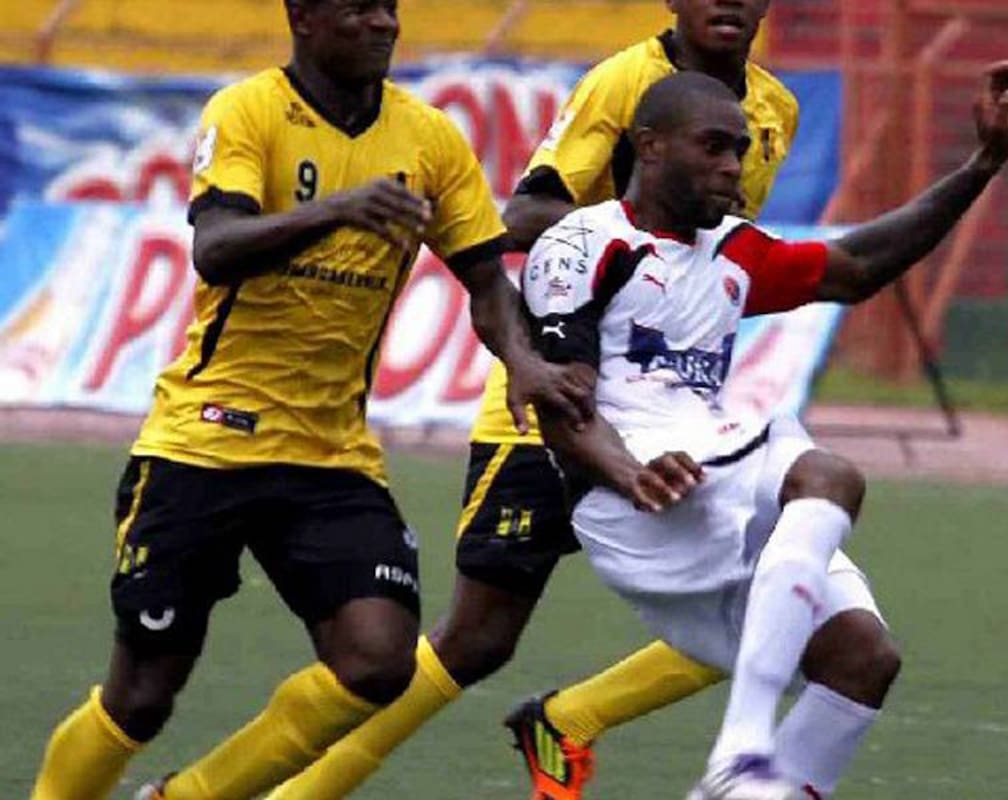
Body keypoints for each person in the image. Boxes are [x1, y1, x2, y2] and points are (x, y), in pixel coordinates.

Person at [261, 2, 901, 800]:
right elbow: (528, 211)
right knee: (478, 638)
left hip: (673, 410)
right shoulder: (627, 82)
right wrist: (638, 242)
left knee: (766, 576)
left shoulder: (773, 106)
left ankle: (577, 719)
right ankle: (299, 791)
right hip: (561, 402)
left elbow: (727, 246)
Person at [27, 0, 591, 798]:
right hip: (204, 441)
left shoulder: (428, 138)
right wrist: (337, 208)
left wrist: (525, 362)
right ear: (304, 16)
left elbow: (485, 280)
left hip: (330, 455)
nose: (384, 24)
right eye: (359, 9)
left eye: (390, 9)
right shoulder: (250, 109)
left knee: (378, 660)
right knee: (144, 695)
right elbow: (216, 249)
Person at [522, 65, 1008, 800]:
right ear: (651, 145)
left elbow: (855, 266)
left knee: (862, 660)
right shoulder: (585, 244)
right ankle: (742, 745)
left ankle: (731, 785)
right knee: (828, 476)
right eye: (713, 147)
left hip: (706, 464)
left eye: (739, 148)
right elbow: (558, 406)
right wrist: (627, 471)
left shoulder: (734, 250)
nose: (734, 165)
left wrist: (981, 165)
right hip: (630, 493)